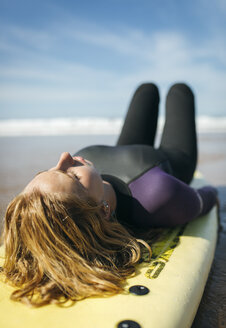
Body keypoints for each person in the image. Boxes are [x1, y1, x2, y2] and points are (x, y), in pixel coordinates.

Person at [1, 83, 217, 307]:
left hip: (129, 151)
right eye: (72, 176)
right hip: (172, 161)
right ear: (103, 210)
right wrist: (199, 195)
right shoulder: (160, 195)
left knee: (147, 90)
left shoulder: (84, 171)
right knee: (179, 91)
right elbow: (208, 197)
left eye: (51, 170)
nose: (65, 157)